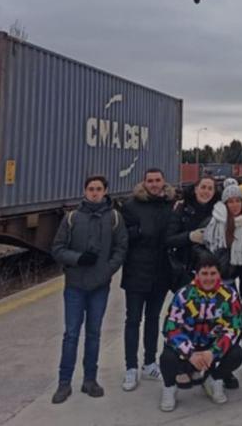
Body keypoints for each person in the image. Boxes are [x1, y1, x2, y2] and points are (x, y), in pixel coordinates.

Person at [51, 175, 128, 404]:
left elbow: (121, 248)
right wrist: (77, 259)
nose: (94, 192)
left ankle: (90, 380)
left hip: (99, 286)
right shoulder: (72, 218)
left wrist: (107, 270)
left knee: (94, 334)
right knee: (71, 334)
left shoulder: (115, 218)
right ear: (84, 191)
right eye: (90, 189)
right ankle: (64, 383)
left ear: (105, 191)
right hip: (74, 285)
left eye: (98, 189)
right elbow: (57, 248)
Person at [159, 253, 242, 412]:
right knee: (166, 358)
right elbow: (171, 329)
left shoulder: (229, 295)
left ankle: (214, 379)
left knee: (237, 354)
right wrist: (189, 353)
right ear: (197, 274)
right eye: (204, 274)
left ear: (219, 274)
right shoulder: (183, 294)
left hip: (211, 347)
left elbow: (234, 328)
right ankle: (169, 388)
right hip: (189, 347)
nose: (209, 278)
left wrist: (213, 352)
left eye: (213, 273)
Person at [119, 168, 177, 392]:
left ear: (164, 182)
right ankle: (131, 367)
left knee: (153, 318)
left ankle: (150, 362)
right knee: (133, 320)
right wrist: (140, 231)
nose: (154, 184)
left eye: (158, 181)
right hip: (136, 272)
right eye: (150, 181)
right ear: (144, 183)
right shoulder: (131, 205)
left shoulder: (170, 204)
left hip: (160, 273)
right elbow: (123, 237)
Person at [196, 181, 242, 384]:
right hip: (212, 283)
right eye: (230, 201)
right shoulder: (213, 220)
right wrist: (211, 263)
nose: (234, 205)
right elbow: (198, 246)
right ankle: (206, 367)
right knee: (209, 326)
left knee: (230, 327)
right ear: (224, 203)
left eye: (238, 201)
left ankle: (225, 371)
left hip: (231, 283)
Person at [166, 176, 218, 291]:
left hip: (210, 272)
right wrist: (189, 236)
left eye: (210, 188)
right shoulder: (181, 208)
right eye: (203, 187)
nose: (206, 191)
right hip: (185, 271)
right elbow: (168, 240)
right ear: (195, 189)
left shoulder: (219, 213)